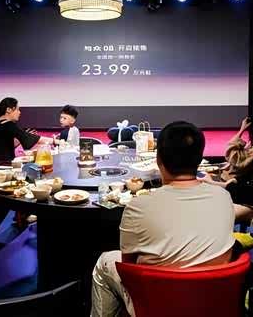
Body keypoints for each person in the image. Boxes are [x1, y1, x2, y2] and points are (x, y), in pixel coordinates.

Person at [91, 121, 236, 317]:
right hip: (209, 302)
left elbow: (128, 269)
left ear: (158, 160)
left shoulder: (138, 206)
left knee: (105, 261)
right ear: (199, 159)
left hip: (156, 305)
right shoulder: (223, 197)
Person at [0, 97, 55, 186]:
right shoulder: (7, 124)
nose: (20, 112)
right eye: (17, 109)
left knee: (28, 170)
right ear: (9, 110)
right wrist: (55, 141)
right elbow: (31, 138)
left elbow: (1, 146)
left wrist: (23, 138)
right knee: (26, 174)